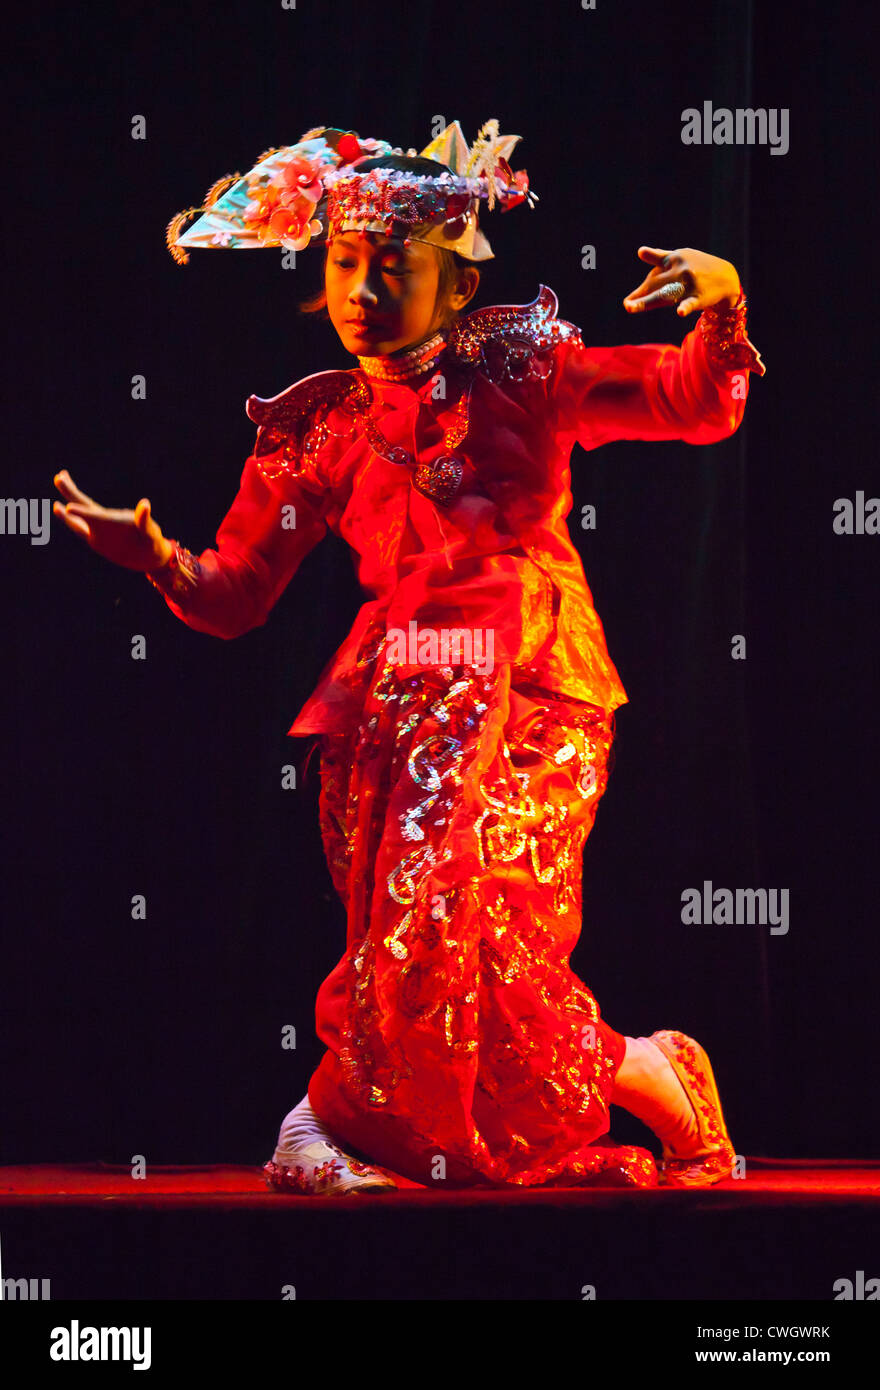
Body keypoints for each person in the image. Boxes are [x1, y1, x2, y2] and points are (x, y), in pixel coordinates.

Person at [53, 121, 764, 1194]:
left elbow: (692, 402)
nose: (362, 290)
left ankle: (325, 1119)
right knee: (421, 934)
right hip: (398, 700)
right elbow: (239, 592)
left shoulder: (526, 370)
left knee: (486, 926)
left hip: (533, 686)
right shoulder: (326, 428)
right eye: (344, 264)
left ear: (456, 273)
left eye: (392, 267)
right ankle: (637, 1073)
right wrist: (158, 558)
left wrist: (721, 306)